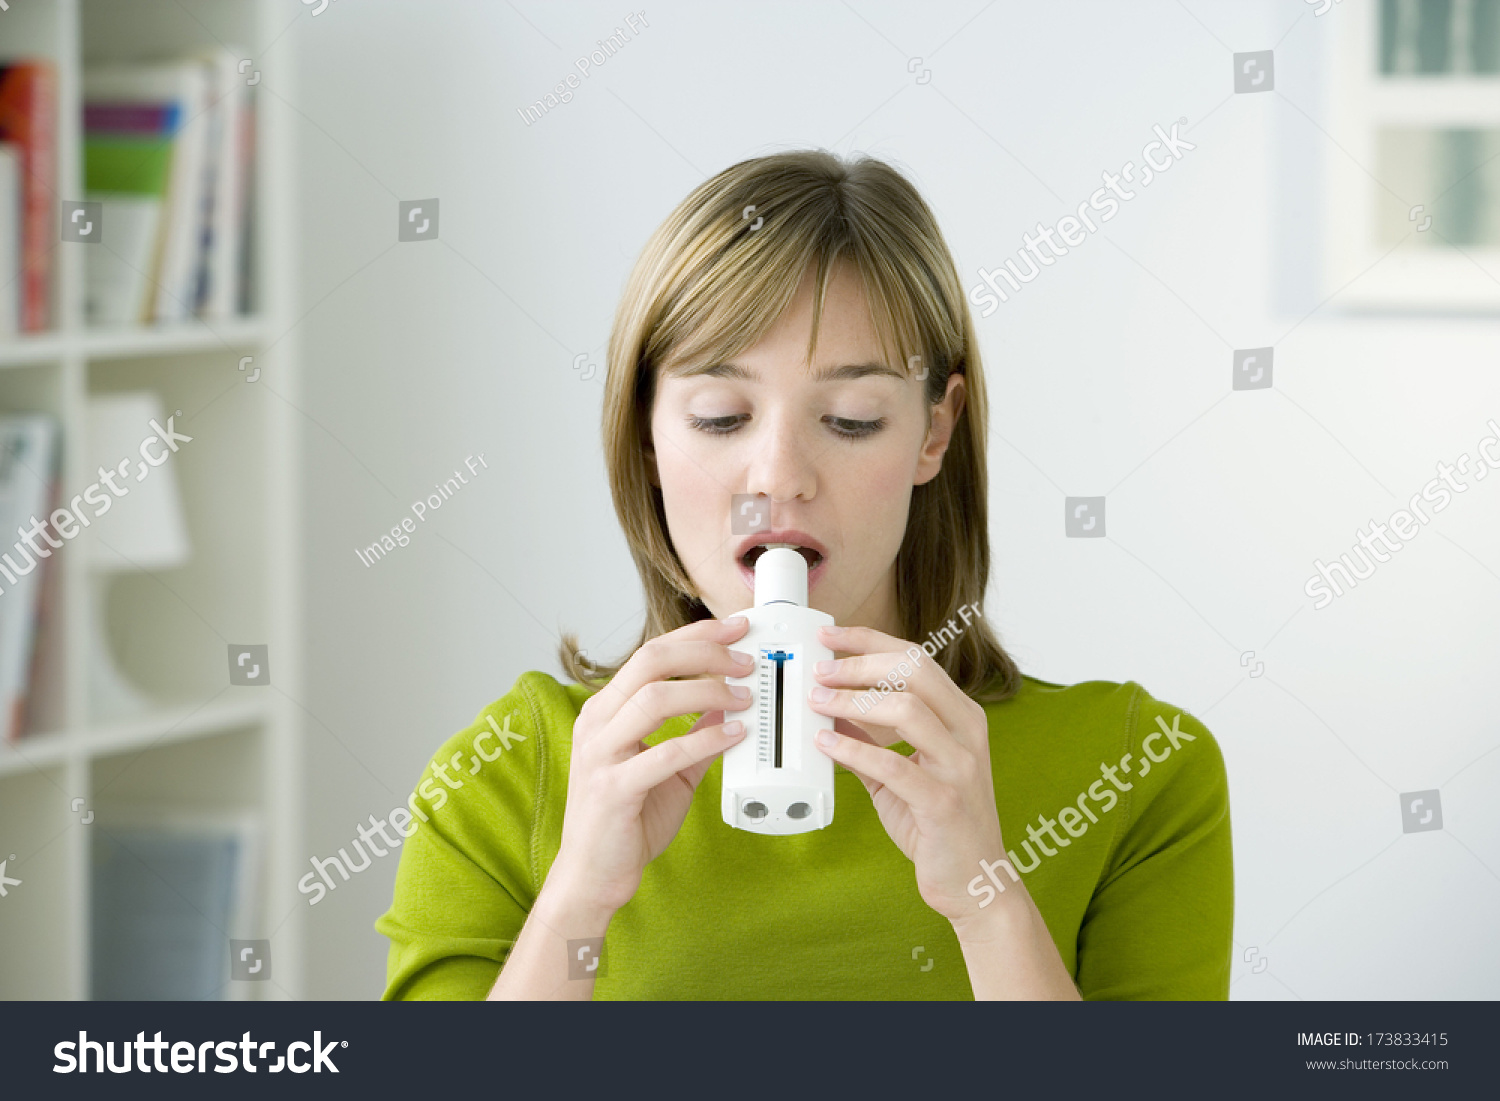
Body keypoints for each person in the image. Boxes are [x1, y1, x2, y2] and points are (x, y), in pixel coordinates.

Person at [376, 149, 1232, 1000]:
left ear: (934, 433)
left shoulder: (1138, 769)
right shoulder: (508, 770)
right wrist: (578, 903)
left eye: (851, 419)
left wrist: (988, 904)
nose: (778, 475)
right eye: (720, 416)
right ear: (645, 431)